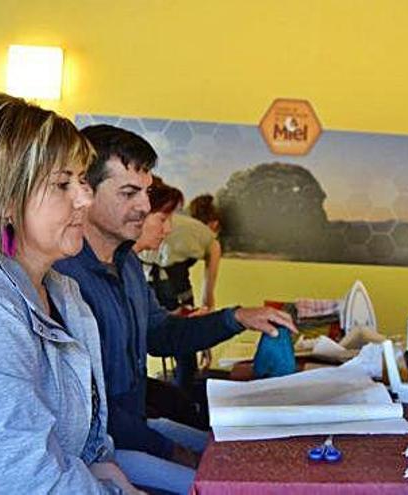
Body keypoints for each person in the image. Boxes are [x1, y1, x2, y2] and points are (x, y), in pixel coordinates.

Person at [55, 124, 296, 495]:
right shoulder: (62, 278)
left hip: (136, 429)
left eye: (146, 193)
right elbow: (88, 413)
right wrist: (170, 449)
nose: (145, 207)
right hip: (99, 450)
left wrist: (235, 318)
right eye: (129, 193)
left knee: (241, 453)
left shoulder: (128, 264)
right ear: (86, 191)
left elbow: (162, 334)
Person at [0, 94, 141, 493]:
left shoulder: (65, 294)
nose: (86, 197)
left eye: (82, 180)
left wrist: (106, 469)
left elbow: (87, 444)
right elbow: (24, 484)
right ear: (6, 202)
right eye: (63, 184)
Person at [145, 191, 223, 392]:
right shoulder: (211, 240)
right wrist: (205, 341)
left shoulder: (168, 221)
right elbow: (208, 294)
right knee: (185, 348)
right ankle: (184, 401)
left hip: (145, 283)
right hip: (177, 291)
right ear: (214, 224)